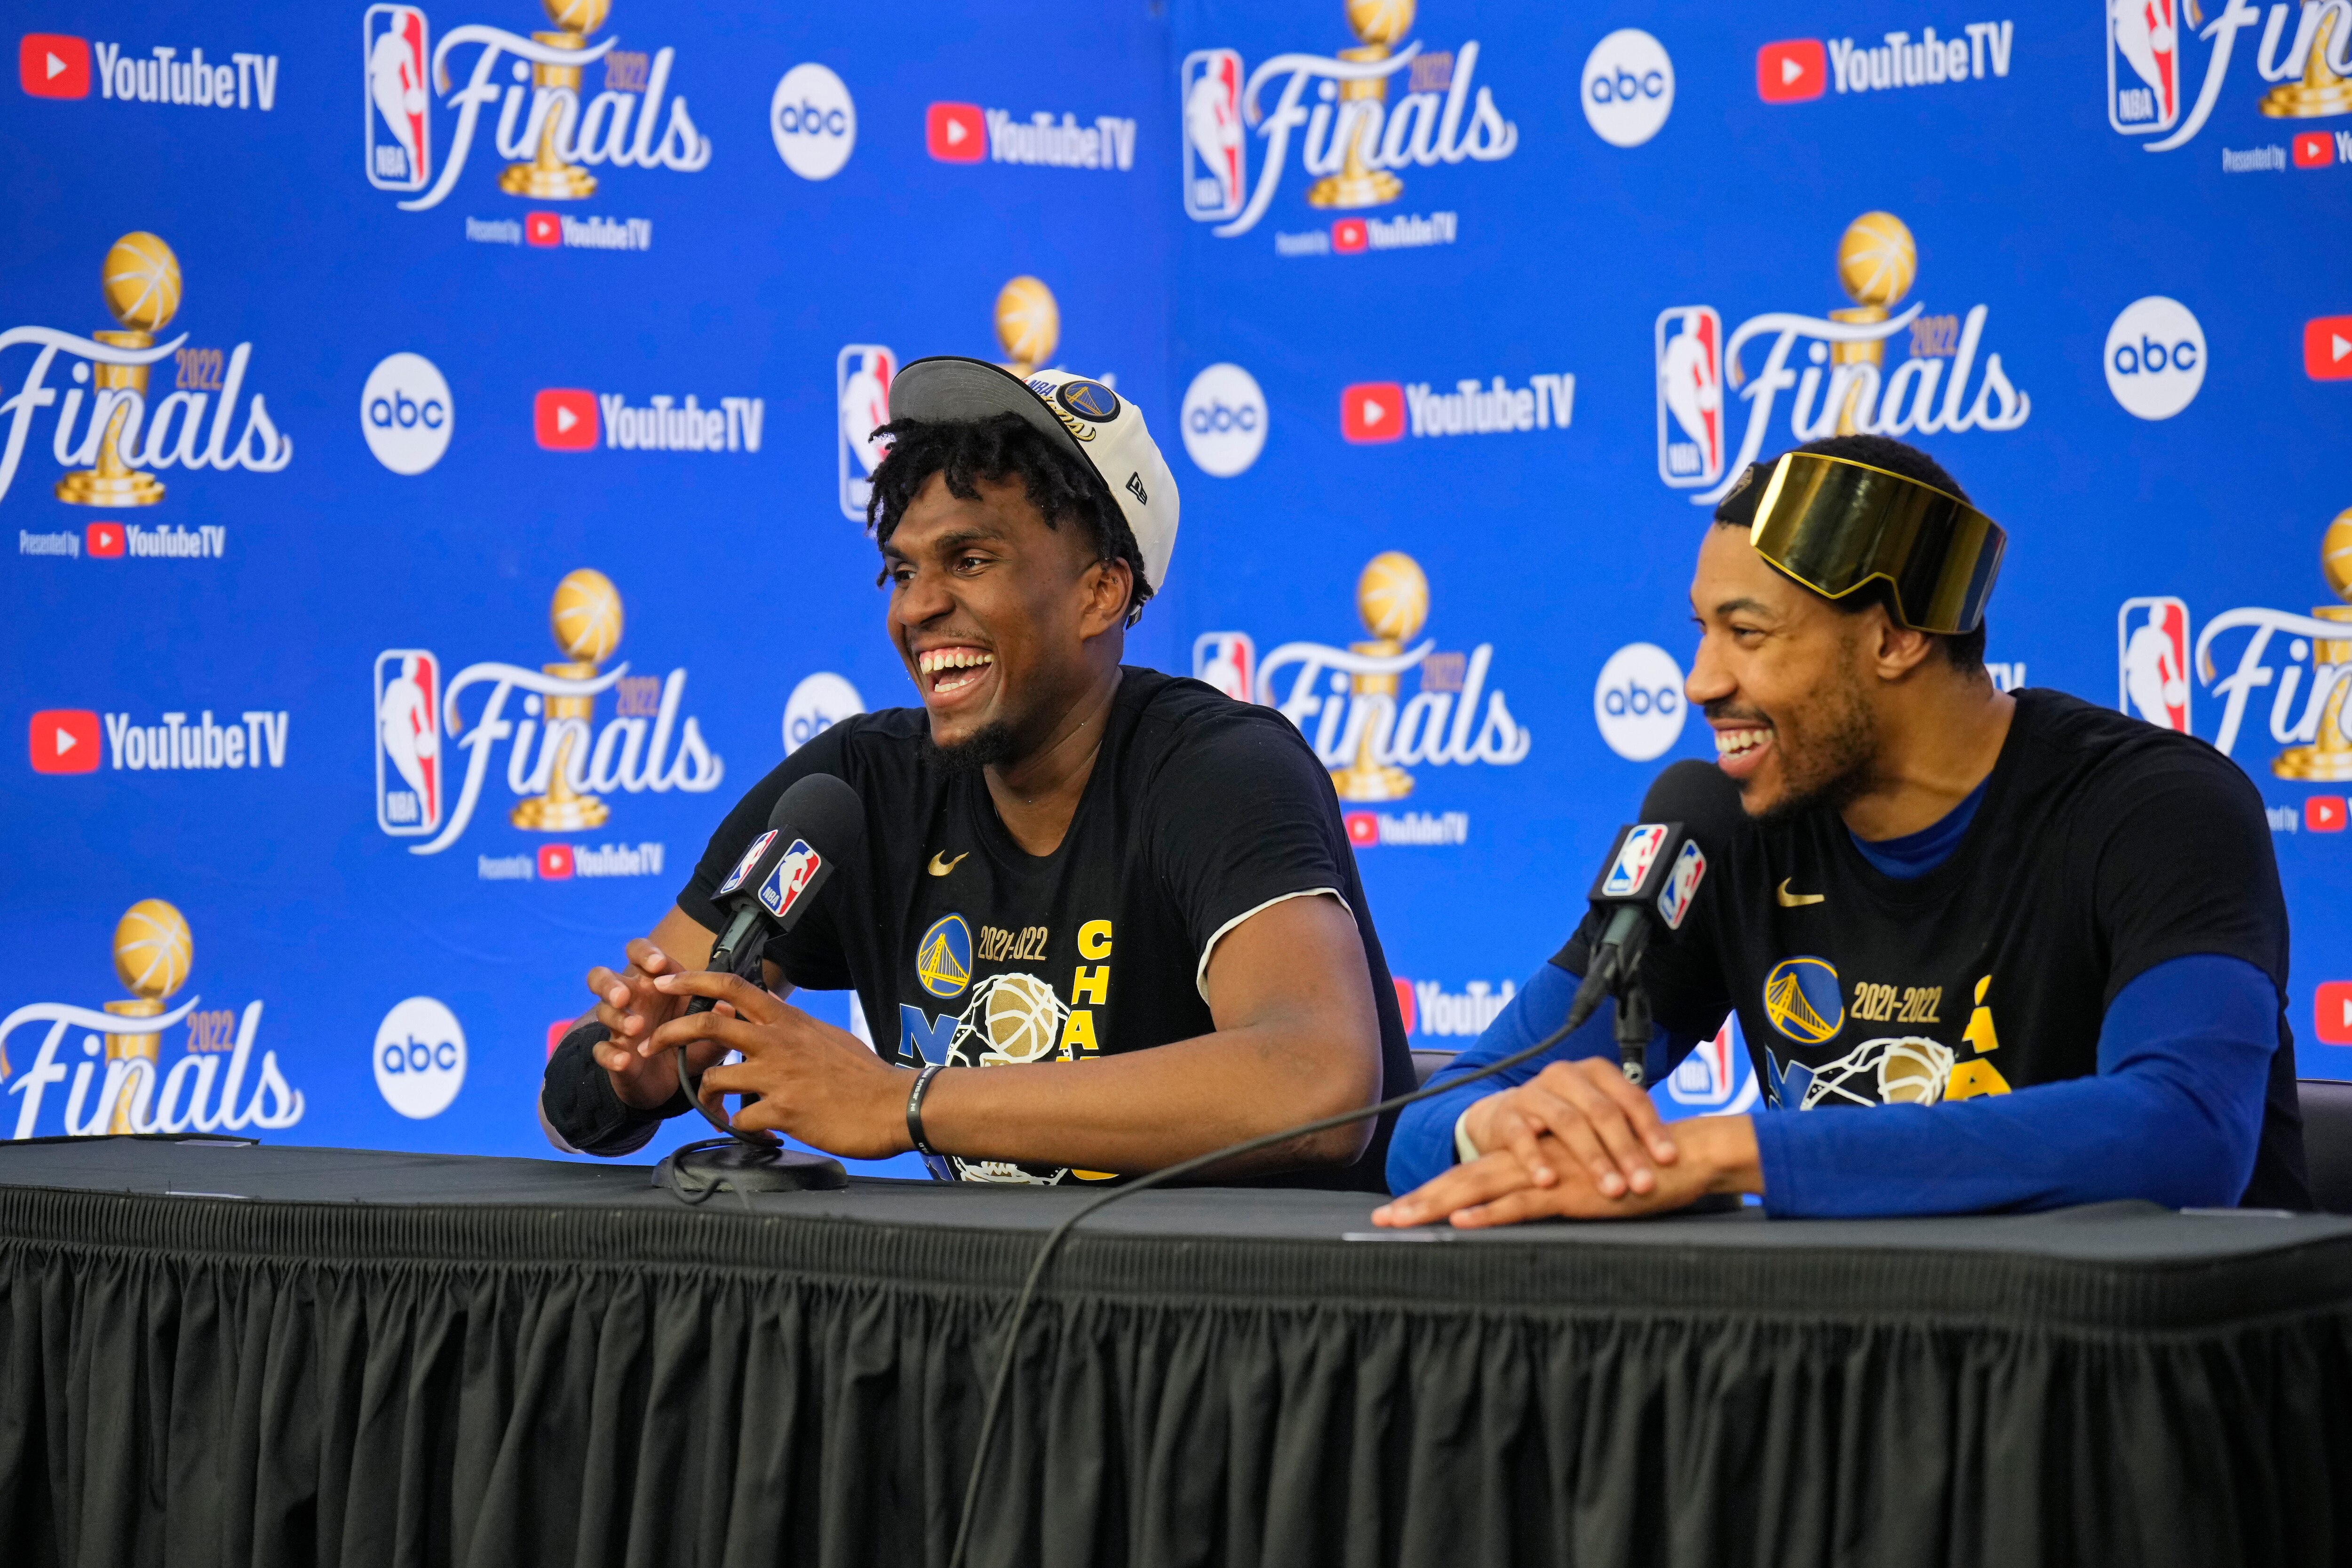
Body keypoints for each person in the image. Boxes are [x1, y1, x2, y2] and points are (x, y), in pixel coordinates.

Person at [1376, 434, 2309, 1227]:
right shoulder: (1723, 826)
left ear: (1896, 636)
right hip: (1853, 1375)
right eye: (1701, 631)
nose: (1700, 681)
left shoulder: (2153, 807)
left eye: (1746, 633)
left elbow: (2186, 1130)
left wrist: (1735, 1150)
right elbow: (1436, 1115)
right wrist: (1495, 1131)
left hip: (2134, 1384)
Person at [540, 356, 1414, 1187]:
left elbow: (1321, 1085)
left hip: (1250, 1321)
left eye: (971, 561)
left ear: (1100, 594)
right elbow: (565, 1101)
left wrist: (906, 1103)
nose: (916, 606)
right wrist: (633, 1074)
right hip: (997, 1321)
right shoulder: (855, 788)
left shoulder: (1220, 770)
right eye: (902, 570)